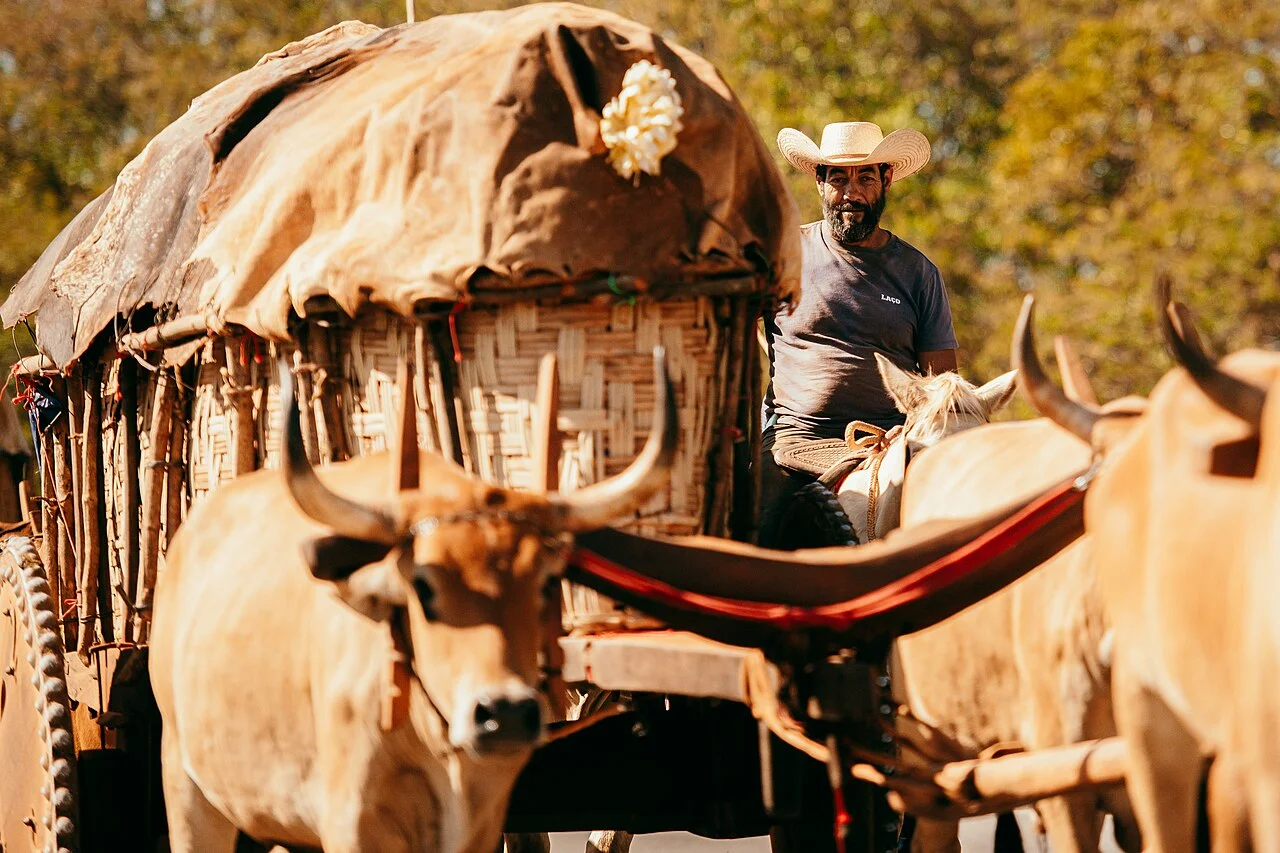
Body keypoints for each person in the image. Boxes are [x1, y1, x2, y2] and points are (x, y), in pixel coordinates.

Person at [759, 121, 959, 545]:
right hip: (795, 442)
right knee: (757, 531)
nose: (851, 193)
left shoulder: (918, 273)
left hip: (891, 447)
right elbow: (731, 337)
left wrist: (909, 432)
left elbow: (942, 388)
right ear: (819, 183)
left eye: (866, 177)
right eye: (838, 178)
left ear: (886, 180)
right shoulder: (786, 254)